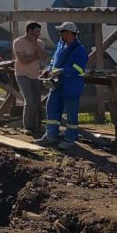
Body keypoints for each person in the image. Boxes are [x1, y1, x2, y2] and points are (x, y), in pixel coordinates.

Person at [37, 22, 88, 150]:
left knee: (71, 113)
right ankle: (51, 135)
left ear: (70, 33)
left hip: (71, 85)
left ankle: (70, 139)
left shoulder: (80, 49)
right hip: (57, 84)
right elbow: (54, 61)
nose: (60, 34)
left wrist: (62, 71)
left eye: (62, 31)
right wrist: (48, 70)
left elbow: (79, 69)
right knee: (52, 107)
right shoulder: (60, 45)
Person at [12, 22, 47, 134]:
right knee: (30, 100)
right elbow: (23, 60)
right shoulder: (18, 42)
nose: (38, 34)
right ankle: (27, 126)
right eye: (37, 31)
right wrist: (36, 55)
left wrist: (35, 44)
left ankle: (36, 125)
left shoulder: (39, 42)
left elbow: (43, 57)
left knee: (37, 101)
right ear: (30, 31)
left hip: (35, 75)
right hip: (22, 74)